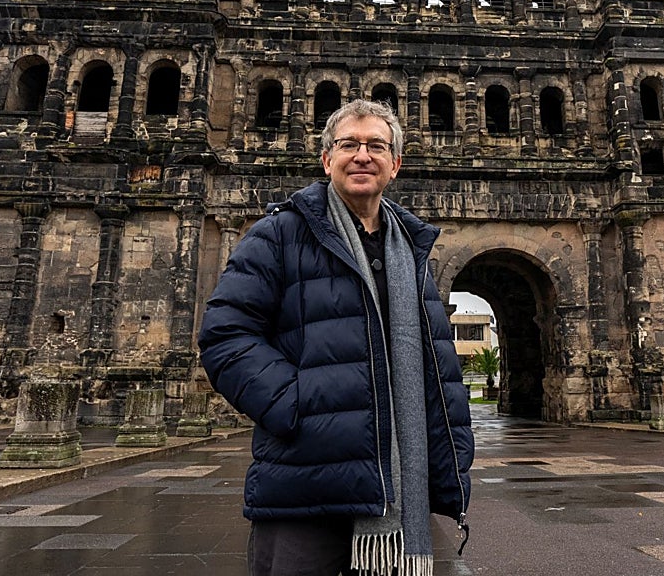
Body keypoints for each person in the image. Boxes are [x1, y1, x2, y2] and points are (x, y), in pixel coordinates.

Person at [200, 98, 473, 576]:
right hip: (306, 476)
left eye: (376, 146)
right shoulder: (278, 234)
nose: (362, 155)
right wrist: (297, 404)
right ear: (327, 159)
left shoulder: (410, 250)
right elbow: (226, 334)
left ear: (395, 164)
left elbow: (435, 364)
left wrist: (450, 446)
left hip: (398, 483)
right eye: (348, 144)